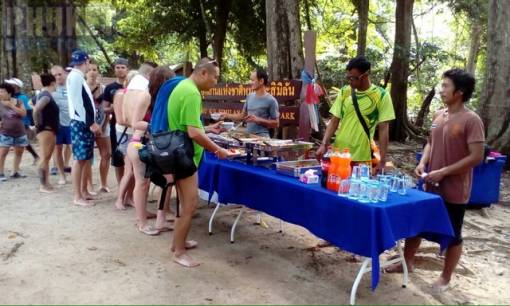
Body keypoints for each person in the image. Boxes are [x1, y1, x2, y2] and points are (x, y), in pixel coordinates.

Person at [387, 69, 485, 293]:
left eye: (446, 86)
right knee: (417, 225)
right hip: (430, 184)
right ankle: (408, 262)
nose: (441, 90)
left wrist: (445, 171)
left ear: (459, 92)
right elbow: (430, 143)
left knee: (453, 234)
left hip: (455, 189)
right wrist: (423, 163)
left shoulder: (472, 120)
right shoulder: (438, 115)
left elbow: (477, 156)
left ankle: (445, 277)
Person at [167, 58, 230, 267]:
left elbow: (189, 126)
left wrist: (208, 132)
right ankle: (178, 252)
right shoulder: (192, 92)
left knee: (184, 204)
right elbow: (193, 132)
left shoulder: (181, 85)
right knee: (190, 204)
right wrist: (218, 149)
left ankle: (179, 242)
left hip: (178, 152)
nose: (215, 81)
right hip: (184, 156)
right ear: (203, 73)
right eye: (215, 77)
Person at [316, 56, 395, 173]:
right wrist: (324, 143)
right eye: (348, 78)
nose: (350, 81)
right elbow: (334, 121)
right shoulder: (345, 92)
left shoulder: (381, 95)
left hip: (362, 157)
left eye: (353, 78)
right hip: (339, 154)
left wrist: (382, 160)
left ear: (365, 75)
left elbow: (383, 129)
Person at [122, 62, 169, 233]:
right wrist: (155, 126)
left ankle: (156, 219)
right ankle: (142, 223)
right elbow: (135, 122)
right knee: (142, 183)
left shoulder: (159, 98)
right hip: (138, 142)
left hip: (151, 143)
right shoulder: (146, 96)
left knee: (157, 181)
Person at [66, 49, 101, 206]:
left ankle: (83, 191)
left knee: (85, 158)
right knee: (79, 160)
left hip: (83, 123)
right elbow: (78, 104)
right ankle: (77, 196)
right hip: (81, 123)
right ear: (86, 62)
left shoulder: (77, 76)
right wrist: (90, 123)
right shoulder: (74, 77)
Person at [221, 68, 279, 138]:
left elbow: (276, 123)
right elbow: (242, 116)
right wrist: (226, 115)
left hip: (262, 138)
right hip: (248, 137)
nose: (250, 82)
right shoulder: (249, 96)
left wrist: (258, 120)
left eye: (253, 80)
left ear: (261, 81)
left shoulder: (271, 100)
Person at [103, 58, 129, 183]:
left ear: (127, 69)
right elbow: (104, 108)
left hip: (132, 127)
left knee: (131, 159)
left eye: (122, 67)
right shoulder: (109, 88)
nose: (120, 70)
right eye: (117, 67)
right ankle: (121, 188)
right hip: (116, 128)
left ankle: (131, 192)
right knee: (118, 159)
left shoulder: (133, 86)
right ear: (114, 69)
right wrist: (114, 107)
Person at [33, 74, 59, 193]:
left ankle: (46, 183)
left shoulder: (43, 95)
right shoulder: (46, 96)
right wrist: (38, 125)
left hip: (49, 130)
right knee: (44, 158)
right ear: (53, 83)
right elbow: (36, 109)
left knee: (46, 158)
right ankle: (43, 185)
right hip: (46, 130)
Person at [87, 61, 111, 193]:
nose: (92, 72)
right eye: (89, 69)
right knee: (87, 156)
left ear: (98, 72)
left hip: (103, 125)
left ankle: (104, 183)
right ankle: (89, 185)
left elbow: (107, 108)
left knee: (106, 154)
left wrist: (104, 124)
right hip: (87, 126)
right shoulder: (82, 87)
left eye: (94, 69)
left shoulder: (103, 88)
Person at [5, 77, 39, 164]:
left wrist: (32, 124)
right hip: (12, 123)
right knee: (23, 142)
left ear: (15, 86)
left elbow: (28, 111)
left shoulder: (22, 97)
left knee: (23, 142)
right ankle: (36, 156)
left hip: (22, 123)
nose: (8, 86)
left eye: (10, 84)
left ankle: (36, 156)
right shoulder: (10, 97)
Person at [0, 82, 27, 181]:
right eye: (0, 92)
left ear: (9, 93)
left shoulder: (18, 101)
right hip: (5, 132)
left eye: (2, 91)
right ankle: (1, 173)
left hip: (20, 131)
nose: (0, 93)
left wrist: (11, 105)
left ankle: (15, 171)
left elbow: (23, 113)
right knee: (3, 152)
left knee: (19, 152)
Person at [51, 65, 72, 185]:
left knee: (72, 147)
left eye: (60, 74)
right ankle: (62, 175)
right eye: (55, 75)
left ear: (64, 73)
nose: (58, 77)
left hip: (72, 123)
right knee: (57, 148)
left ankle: (67, 165)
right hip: (57, 125)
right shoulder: (51, 88)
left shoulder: (71, 85)